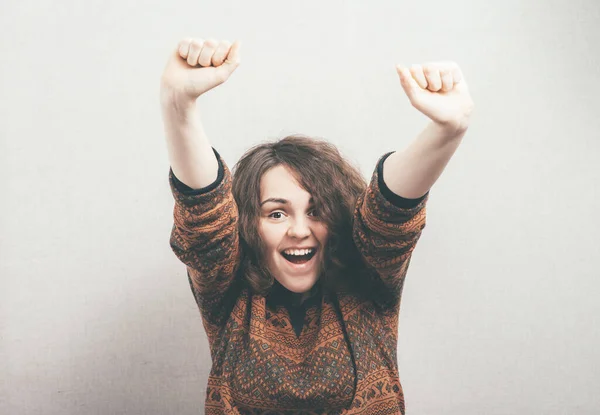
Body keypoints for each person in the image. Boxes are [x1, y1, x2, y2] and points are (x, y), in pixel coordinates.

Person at [160, 37, 474, 415]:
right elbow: (206, 222)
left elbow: (389, 217)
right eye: (276, 213)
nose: (298, 230)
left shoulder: (370, 282)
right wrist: (178, 107)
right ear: (249, 224)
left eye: (317, 211)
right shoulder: (227, 295)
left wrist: (447, 130)